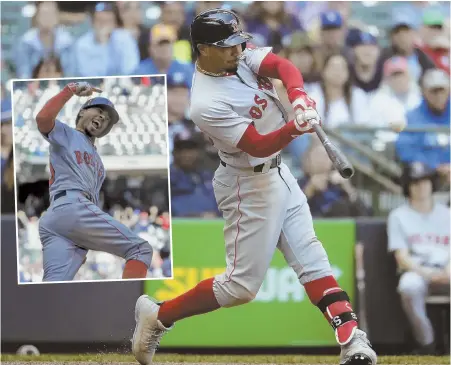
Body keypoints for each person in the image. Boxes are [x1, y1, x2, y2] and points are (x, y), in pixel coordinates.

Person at [131, 9, 377, 365]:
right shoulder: (205, 103)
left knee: (312, 258)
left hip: (279, 174)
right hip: (247, 183)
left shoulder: (238, 55)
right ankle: (158, 316)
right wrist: (295, 127)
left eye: (237, 43)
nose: (237, 51)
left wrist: (298, 96)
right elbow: (258, 144)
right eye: (226, 46)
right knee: (240, 287)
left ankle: (353, 342)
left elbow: (282, 66)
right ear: (202, 49)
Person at [35, 81, 152, 281]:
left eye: (106, 119)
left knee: (53, 285)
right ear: (81, 113)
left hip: (58, 218)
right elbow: (43, 118)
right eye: (98, 110)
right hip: (71, 205)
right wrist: (70, 91)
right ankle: (130, 304)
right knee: (140, 249)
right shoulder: (67, 133)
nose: (102, 117)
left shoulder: (98, 161)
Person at [387, 162, 450, 355]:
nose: (421, 186)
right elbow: (402, 257)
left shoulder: (447, 214)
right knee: (408, 286)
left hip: (447, 268)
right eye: (415, 183)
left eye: (425, 181)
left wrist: (447, 271)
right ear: (408, 187)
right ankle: (427, 342)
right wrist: (428, 274)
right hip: (418, 271)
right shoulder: (398, 216)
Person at [396, 68, 450, 175]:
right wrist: (435, 166)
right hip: (429, 171)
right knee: (418, 171)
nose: (438, 96)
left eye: (441, 90)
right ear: (424, 92)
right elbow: (405, 148)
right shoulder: (412, 117)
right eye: (433, 91)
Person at [299, 141, 372, 217]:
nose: (322, 160)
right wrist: (308, 191)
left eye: (326, 156)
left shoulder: (339, 184)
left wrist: (348, 189)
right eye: (318, 156)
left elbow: (366, 215)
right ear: (308, 159)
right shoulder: (299, 184)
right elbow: (293, 214)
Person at [71, 2, 140, 77]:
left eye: (109, 21)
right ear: (92, 23)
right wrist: (103, 45)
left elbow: (131, 69)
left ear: (115, 23)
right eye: (100, 21)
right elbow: (88, 75)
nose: (105, 26)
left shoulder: (125, 38)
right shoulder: (82, 44)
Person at [309, 52, 370, 127]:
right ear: (323, 71)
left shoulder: (358, 95)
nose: (337, 72)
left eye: (342, 68)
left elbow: (364, 126)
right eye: (333, 67)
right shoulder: (313, 96)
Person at [14, 1, 73, 78]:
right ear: (37, 16)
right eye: (44, 14)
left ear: (57, 17)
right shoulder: (26, 42)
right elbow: (23, 74)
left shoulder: (67, 42)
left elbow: (71, 75)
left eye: (51, 14)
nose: (47, 18)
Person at [170, 134, 220, 218]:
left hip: (213, 226)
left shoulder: (207, 176)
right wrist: (198, 216)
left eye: (191, 149)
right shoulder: (169, 178)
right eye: (182, 149)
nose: (187, 154)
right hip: (182, 226)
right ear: (174, 153)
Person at [381, 9, 435, 83]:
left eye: (406, 32)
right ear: (392, 37)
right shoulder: (383, 57)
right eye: (397, 33)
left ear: (414, 34)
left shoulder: (425, 58)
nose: (402, 37)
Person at [134, 24, 194, 89]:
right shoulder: (139, 72)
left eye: (168, 44)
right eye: (160, 44)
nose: (165, 48)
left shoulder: (187, 69)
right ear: (150, 48)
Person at [368, 56, 421, 128]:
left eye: (401, 74)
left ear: (409, 76)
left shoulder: (419, 96)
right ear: (387, 79)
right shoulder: (378, 100)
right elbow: (375, 128)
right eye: (394, 76)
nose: (399, 79)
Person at [348, 30, 384, 94]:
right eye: (362, 46)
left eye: (371, 47)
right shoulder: (347, 75)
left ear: (379, 51)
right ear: (353, 50)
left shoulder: (386, 75)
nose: (367, 51)